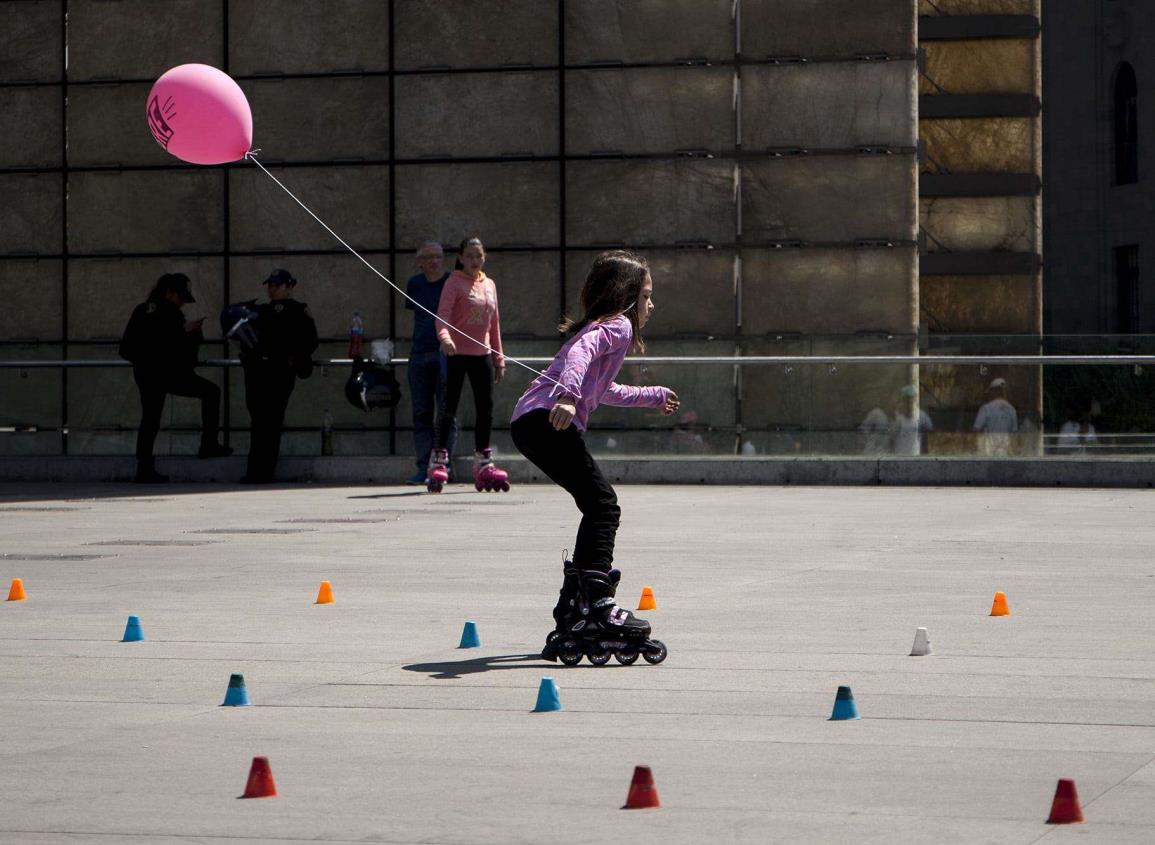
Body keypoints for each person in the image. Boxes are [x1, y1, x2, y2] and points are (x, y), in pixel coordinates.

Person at [510, 250, 680, 665]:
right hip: (547, 420)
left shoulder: (605, 328)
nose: (650, 305)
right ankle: (596, 605)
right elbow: (579, 356)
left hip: (529, 422)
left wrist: (653, 396)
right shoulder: (617, 326)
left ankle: (575, 606)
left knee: (596, 504)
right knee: (604, 506)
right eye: (645, 296)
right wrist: (568, 397)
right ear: (625, 298)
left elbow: (604, 389)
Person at [119, 272, 231, 483]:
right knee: (207, 394)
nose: (181, 303)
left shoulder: (149, 311)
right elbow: (138, 347)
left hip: (156, 374)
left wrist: (191, 334)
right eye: (180, 297)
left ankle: (146, 466)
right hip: (162, 374)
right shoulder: (160, 313)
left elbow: (129, 348)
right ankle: (206, 445)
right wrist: (184, 333)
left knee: (151, 418)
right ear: (169, 293)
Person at [427, 237, 507, 492]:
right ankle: (438, 459)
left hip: (481, 354)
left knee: (486, 408)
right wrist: (445, 338)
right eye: (470, 256)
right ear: (461, 257)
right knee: (448, 407)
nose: (474, 261)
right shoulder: (454, 282)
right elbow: (442, 317)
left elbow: (494, 326)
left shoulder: (490, 285)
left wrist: (498, 357)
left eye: (479, 256)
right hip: (456, 354)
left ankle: (483, 460)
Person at [240, 269, 318, 483]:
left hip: (280, 371)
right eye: (270, 285)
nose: (272, 289)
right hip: (258, 371)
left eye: (277, 285)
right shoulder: (261, 311)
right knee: (257, 420)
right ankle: (253, 470)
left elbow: (310, 340)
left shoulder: (298, 310)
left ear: (289, 287)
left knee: (272, 420)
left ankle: (265, 470)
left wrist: (295, 357)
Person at [404, 242, 457, 484]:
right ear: (420, 261)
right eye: (429, 257)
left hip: (445, 353)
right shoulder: (414, 284)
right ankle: (423, 466)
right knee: (421, 413)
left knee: (447, 413)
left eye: (438, 256)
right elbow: (412, 318)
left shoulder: (451, 282)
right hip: (419, 354)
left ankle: (445, 465)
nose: (435, 261)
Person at [973, 376, 1018, 456]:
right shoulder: (1012, 410)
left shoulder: (986, 408)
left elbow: (976, 429)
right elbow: (1014, 433)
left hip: (989, 452)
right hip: (1005, 453)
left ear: (993, 392)